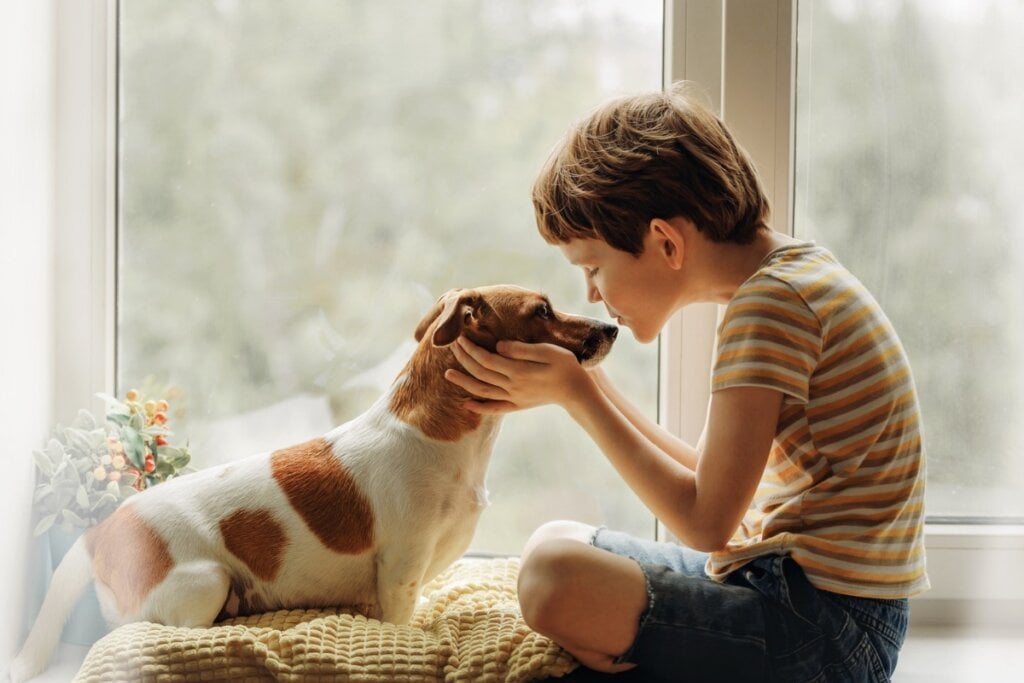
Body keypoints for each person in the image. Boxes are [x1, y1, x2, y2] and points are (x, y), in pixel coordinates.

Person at [443, 81, 929, 682]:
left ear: (666, 242)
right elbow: (716, 484)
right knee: (557, 537)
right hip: (808, 598)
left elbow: (706, 524)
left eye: (593, 267)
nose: (591, 293)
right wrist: (582, 385)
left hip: (825, 634)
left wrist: (580, 396)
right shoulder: (792, 278)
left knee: (551, 575)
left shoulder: (772, 308)